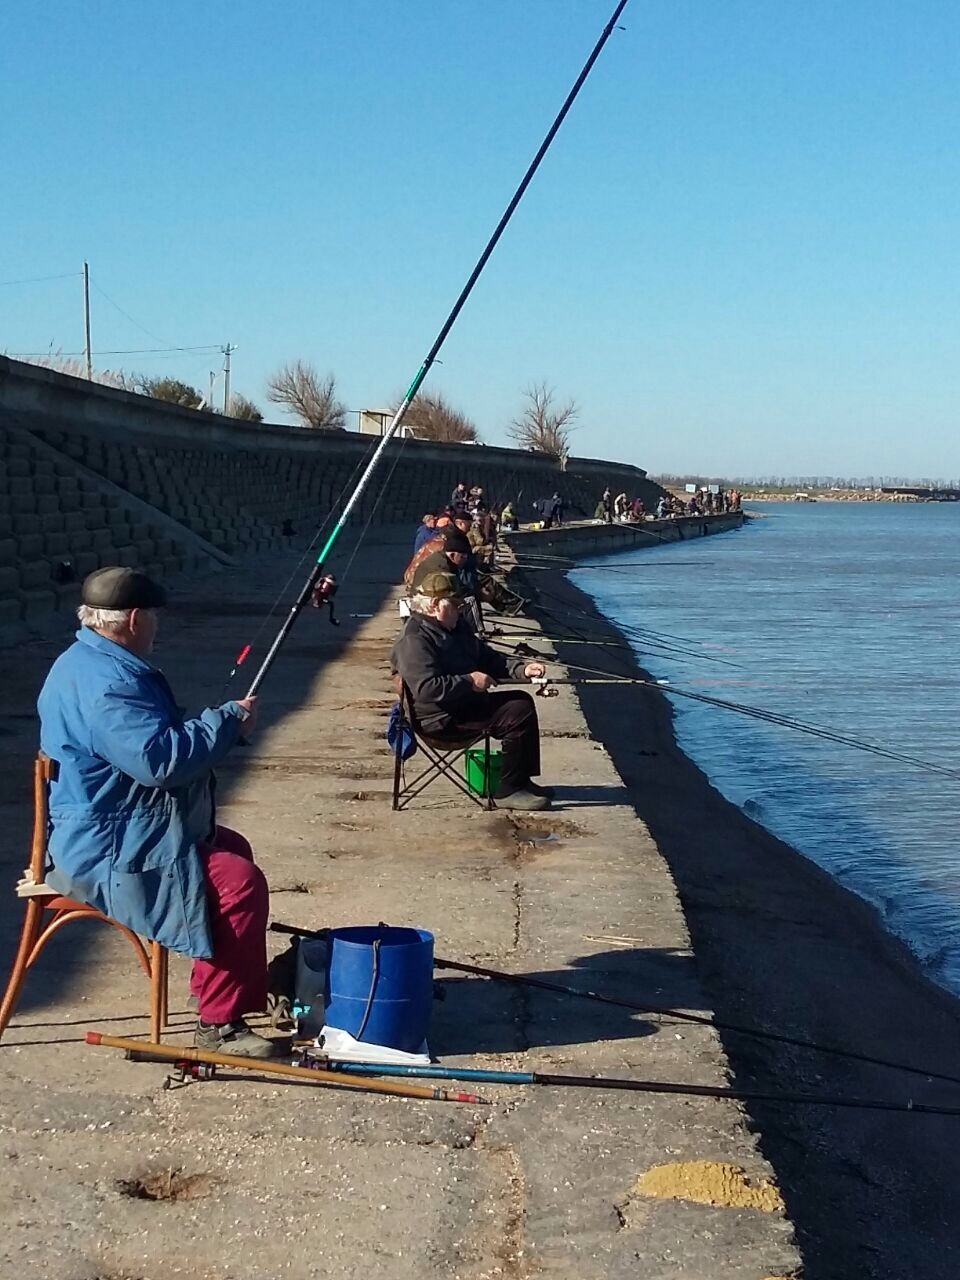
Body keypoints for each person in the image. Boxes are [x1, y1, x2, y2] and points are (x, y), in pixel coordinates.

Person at [36, 567, 276, 1058]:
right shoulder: (108, 683)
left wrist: (218, 726)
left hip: (116, 822)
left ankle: (216, 987)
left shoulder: (87, 659)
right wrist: (226, 721)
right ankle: (219, 1026)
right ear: (132, 618)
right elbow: (159, 762)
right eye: (153, 618)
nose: (156, 627)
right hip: (103, 844)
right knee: (238, 882)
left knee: (231, 849)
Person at [392, 571, 553, 811]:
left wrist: (523, 669)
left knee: (521, 701)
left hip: (463, 705)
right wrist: (469, 681)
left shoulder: (455, 627)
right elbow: (427, 689)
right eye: (455, 604)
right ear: (436, 605)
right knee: (517, 712)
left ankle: (521, 780)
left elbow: (486, 657)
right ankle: (508, 790)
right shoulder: (414, 639)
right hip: (440, 719)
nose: (460, 609)